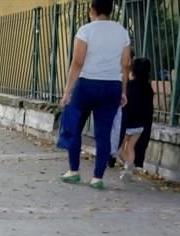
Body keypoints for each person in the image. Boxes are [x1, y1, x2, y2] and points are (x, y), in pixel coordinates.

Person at [57, 0, 131, 190]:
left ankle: (74, 171)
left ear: (92, 10)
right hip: (111, 87)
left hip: (86, 85)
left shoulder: (85, 30)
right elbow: (125, 65)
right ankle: (97, 178)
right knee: (103, 133)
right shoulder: (122, 32)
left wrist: (67, 92)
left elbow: (78, 62)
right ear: (110, 11)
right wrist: (123, 90)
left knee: (75, 126)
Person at [118, 57, 154, 180]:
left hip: (127, 123)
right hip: (140, 125)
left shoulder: (129, 86)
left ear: (132, 71)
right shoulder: (148, 88)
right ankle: (129, 168)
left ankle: (128, 166)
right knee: (131, 147)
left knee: (119, 147)